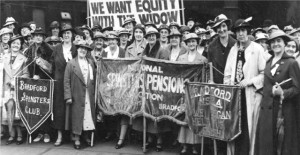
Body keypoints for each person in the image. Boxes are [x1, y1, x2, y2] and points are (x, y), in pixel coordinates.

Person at [224, 18, 267, 155]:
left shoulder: (257, 49)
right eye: (238, 31)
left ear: (248, 32)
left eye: (243, 30)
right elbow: (227, 73)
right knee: (235, 127)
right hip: (235, 95)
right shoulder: (233, 49)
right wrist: (230, 86)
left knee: (249, 127)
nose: (240, 34)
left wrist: (249, 81)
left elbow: (264, 74)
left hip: (250, 94)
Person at [255, 30, 300, 155]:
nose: (276, 44)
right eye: (273, 42)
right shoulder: (269, 62)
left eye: (279, 41)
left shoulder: (291, 63)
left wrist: (283, 92)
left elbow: (297, 88)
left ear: (284, 43)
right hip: (266, 113)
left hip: (282, 112)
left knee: (281, 147)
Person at [177, 33, 207, 155]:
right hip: (183, 91)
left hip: (196, 93)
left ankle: (195, 146)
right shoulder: (181, 58)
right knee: (184, 117)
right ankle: (184, 145)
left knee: (194, 118)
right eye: (189, 42)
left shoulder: (203, 59)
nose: (191, 44)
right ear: (186, 43)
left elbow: (204, 77)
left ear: (197, 42)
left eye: (193, 41)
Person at [64, 40, 96, 150]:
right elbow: (66, 81)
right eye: (81, 48)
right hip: (76, 94)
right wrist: (68, 96)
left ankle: (86, 136)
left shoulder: (90, 63)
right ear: (77, 49)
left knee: (87, 115)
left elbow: (93, 79)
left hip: (88, 94)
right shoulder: (71, 63)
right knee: (77, 116)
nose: (83, 50)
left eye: (85, 49)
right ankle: (76, 138)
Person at [24, 27, 53, 143]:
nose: (38, 37)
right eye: (36, 35)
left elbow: (51, 68)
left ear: (43, 37)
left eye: (40, 36)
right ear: (33, 37)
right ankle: (39, 132)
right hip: (32, 83)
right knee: (35, 108)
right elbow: (27, 64)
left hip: (44, 82)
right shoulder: (30, 49)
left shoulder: (49, 49)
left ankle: (47, 133)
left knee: (45, 108)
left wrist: (40, 75)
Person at [51, 24, 77, 146]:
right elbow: (52, 66)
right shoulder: (56, 48)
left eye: (69, 33)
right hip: (59, 82)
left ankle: (73, 134)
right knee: (59, 109)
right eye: (64, 33)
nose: (66, 35)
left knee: (72, 107)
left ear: (72, 35)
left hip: (73, 83)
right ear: (62, 35)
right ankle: (60, 135)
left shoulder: (76, 48)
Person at [1, 35, 29, 145]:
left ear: (20, 45)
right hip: (6, 89)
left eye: (18, 43)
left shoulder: (24, 59)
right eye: (13, 43)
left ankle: (20, 135)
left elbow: (27, 74)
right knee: (8, 111)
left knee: (18, 112)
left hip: (18, 89)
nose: (15, 45)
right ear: (10, 44)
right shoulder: (4, 57)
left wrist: (16, 81)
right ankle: (11, 134)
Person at [207, 14, 237, 84]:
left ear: (227, 27)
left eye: (223, 26)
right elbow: (209, 67)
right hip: (217, 87)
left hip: (232, 85)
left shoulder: (236, 45)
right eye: (218, 27)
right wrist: (210, 81)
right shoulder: (211, 46)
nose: (221, 30)